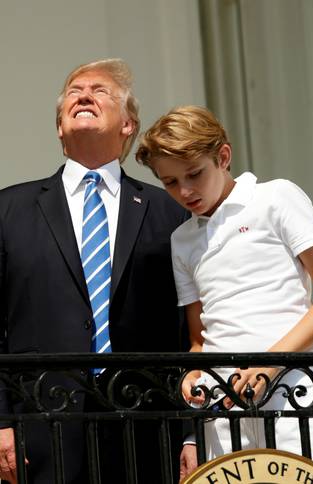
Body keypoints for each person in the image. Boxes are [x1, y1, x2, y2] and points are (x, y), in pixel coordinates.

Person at [135, 105, 313, 481]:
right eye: (170, 182)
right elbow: (198, 339)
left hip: (296, 397)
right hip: (222, 415)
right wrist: (192, 374)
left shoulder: (276, 197)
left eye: (194, 174)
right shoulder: (182, 240)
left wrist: (269, 365)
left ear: (223, 156)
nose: (184, 191)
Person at [0, 59, 188, 483]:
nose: (83, 94)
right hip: (40, 429)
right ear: (59, 129)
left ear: (128, 125)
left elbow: (187, 329)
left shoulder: (170, 213)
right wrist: (0, 423)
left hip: (146, 429)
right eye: (74, 91)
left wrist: (191, 434)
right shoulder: (8, 210)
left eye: (100, 91)